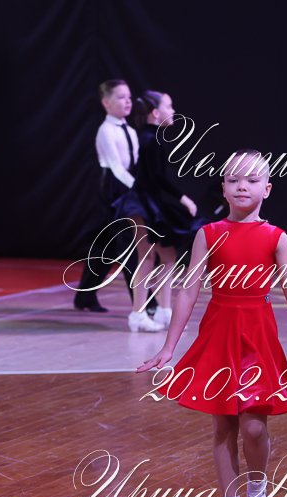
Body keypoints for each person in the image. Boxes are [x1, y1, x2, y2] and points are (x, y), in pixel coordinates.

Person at [137, 150, 287, 497]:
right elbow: (188, 290)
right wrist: (169, 347)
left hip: (257, 336)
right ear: (223, 187)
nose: (241, 186)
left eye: (251, 180)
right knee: (223, 426)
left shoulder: (276, 237)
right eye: (234, 179)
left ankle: (257, 487)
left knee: (253, 427)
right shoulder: (209, 234)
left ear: (267, 189)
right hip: (219, 333)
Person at [116, 90, 199, 331]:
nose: (173, 111)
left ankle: (164, 311)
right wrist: (183, 198)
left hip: (149, 201)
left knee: (168, 255)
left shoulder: (151, 138)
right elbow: (156, 179)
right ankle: (138, 314)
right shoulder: (149, 139)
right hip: (140, 203)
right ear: (155, 113)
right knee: (147, 256)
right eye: (169, 107)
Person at [74, 79, 139, 316]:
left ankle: (85, 295)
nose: (127, 102)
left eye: (129, 97)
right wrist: (137, 188)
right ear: (106, 103)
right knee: (128, 245)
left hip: (127, 184)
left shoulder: (130, 131)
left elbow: (133, 164)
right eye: (121, 97)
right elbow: (115, 167)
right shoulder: (105, 130)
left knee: (106, 247)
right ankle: (146, 302)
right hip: (111, 188)